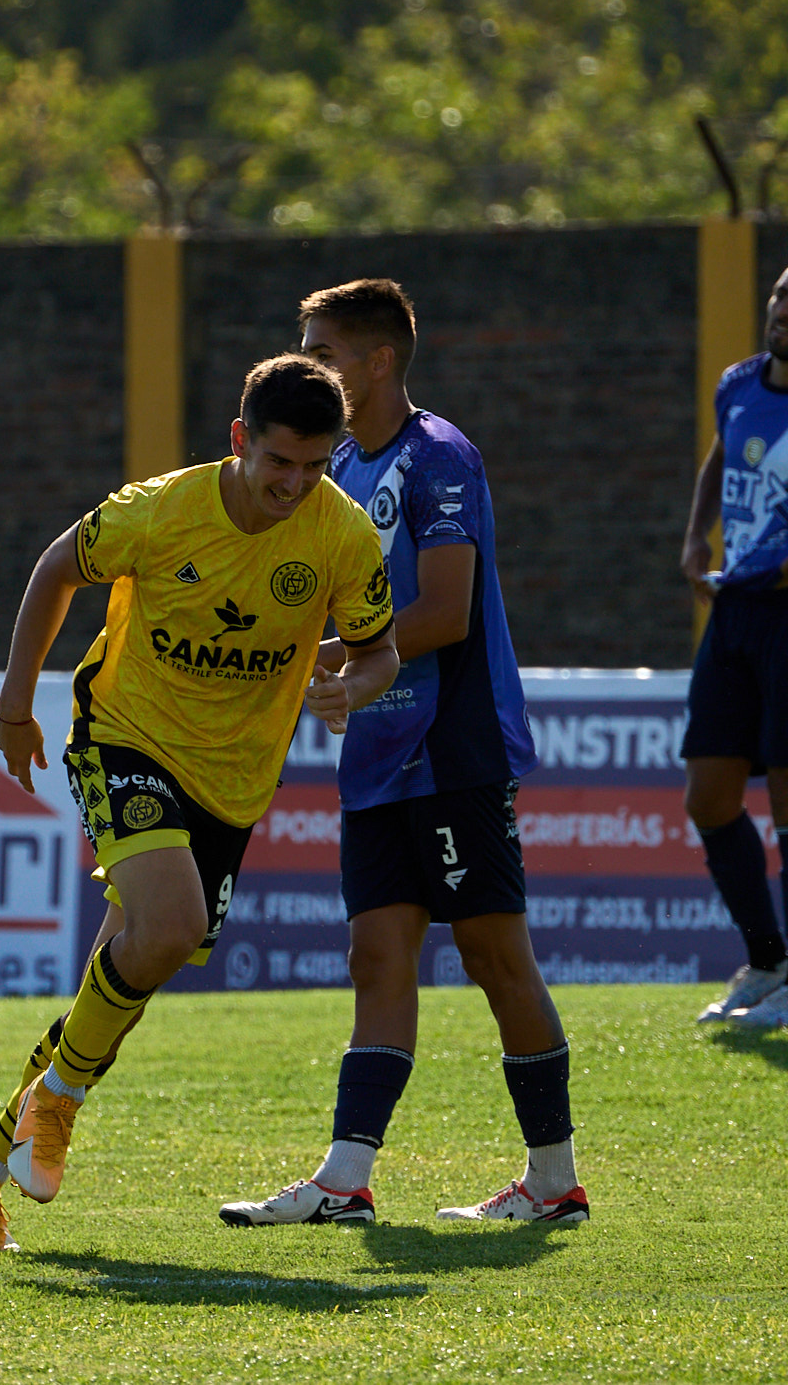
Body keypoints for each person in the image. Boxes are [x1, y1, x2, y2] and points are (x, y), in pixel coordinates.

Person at [0, 354, 398, 1254]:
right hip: (125, 735)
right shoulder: (159, 509)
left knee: (127, 979)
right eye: (279, 463)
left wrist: (351, 686)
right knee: (172, 925)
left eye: (316, 467)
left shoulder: (342, 534)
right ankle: (58, 1101)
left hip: (232, 780)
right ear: (239, 440)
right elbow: (55, 568)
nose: (295, 485)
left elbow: (379, 650)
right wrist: (13, 704)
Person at [220, 279, 585, 1228]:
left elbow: (445, 612)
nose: (308, 365)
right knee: (375, 954)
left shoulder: (439, 456)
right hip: (379, 744)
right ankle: (345, 1181)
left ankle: (555, 1183)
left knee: (494, 954)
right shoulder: (334, 463)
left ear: (379, 360)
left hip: (453, 744)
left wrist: (324, 655)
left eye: (323, 351)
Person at [680, 264, 788, 1028]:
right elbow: (722, 453)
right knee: (709, 795)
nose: (784, 311)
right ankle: (769, 959)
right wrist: (696, 535)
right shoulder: (739, 383)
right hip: (735, 608)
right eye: (781, 296)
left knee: (787, 804)